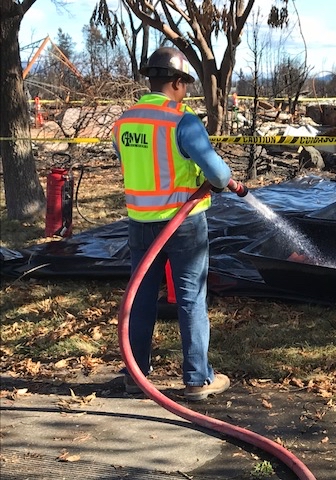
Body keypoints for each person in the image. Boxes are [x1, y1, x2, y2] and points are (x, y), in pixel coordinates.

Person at [112, 47, 234, 401]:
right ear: (177, 83)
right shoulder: (182, 120)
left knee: (141, 298)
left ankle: (136, 375)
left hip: (139, 223)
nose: (186, 93)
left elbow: (135, 162)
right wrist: (217, 178)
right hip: (183, 224)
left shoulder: (125, 121)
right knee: (191, 297)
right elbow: (219, 174)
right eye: (185, 85)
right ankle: (198, 379)